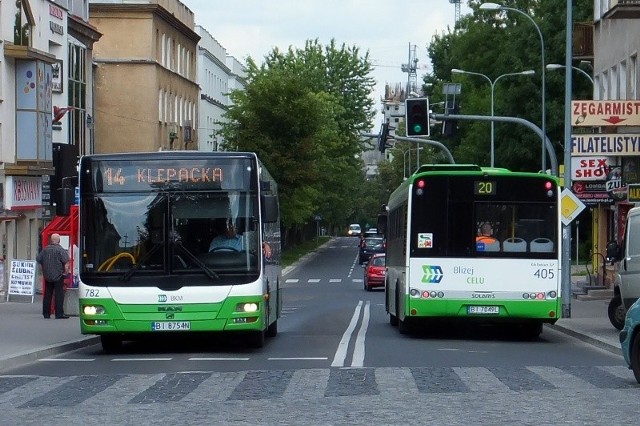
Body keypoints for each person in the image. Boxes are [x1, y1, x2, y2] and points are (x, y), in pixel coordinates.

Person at [36, 233, 70, 319]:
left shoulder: (45, 249)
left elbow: (39, 259)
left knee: (47, 294)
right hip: (58, 275)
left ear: (51, 240)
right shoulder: (60, 250)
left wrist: (45, 268)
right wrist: (65, 272)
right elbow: (66, 262)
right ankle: (59, 314)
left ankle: (46, 313)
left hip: (47, 275)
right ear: (59, 240)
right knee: (59, 294)